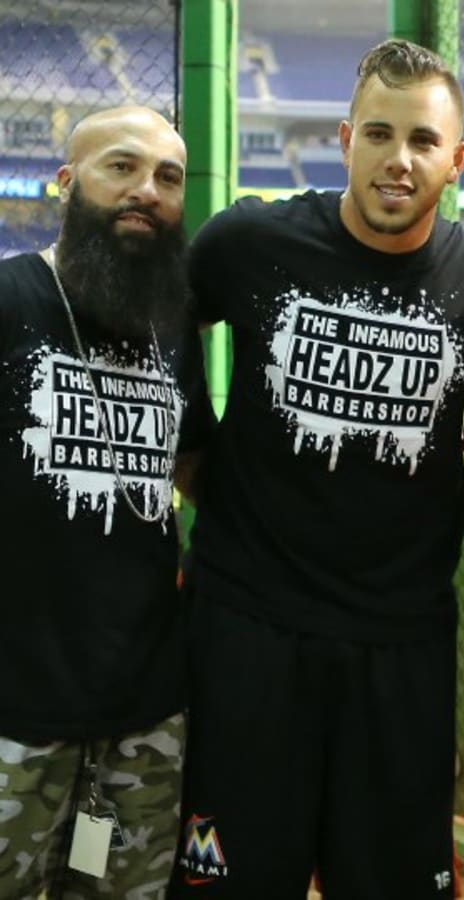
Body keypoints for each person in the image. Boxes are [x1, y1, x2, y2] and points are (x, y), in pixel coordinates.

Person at [169, 40, 464, 898]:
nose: (399, 161)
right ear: (345, 136)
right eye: (379, 135)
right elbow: (156, 324)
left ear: (457, 160)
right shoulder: (251, 240)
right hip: (247, 623)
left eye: (423, 142)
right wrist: (195, 448)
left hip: (400, 641)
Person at [0, 106, 211, 897]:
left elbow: (195, 466)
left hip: (144, 716)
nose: (146, 191)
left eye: (167, 178)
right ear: (66, 182)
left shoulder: (169, 325)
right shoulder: (12, 297)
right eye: (120, 167)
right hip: (15, 713)